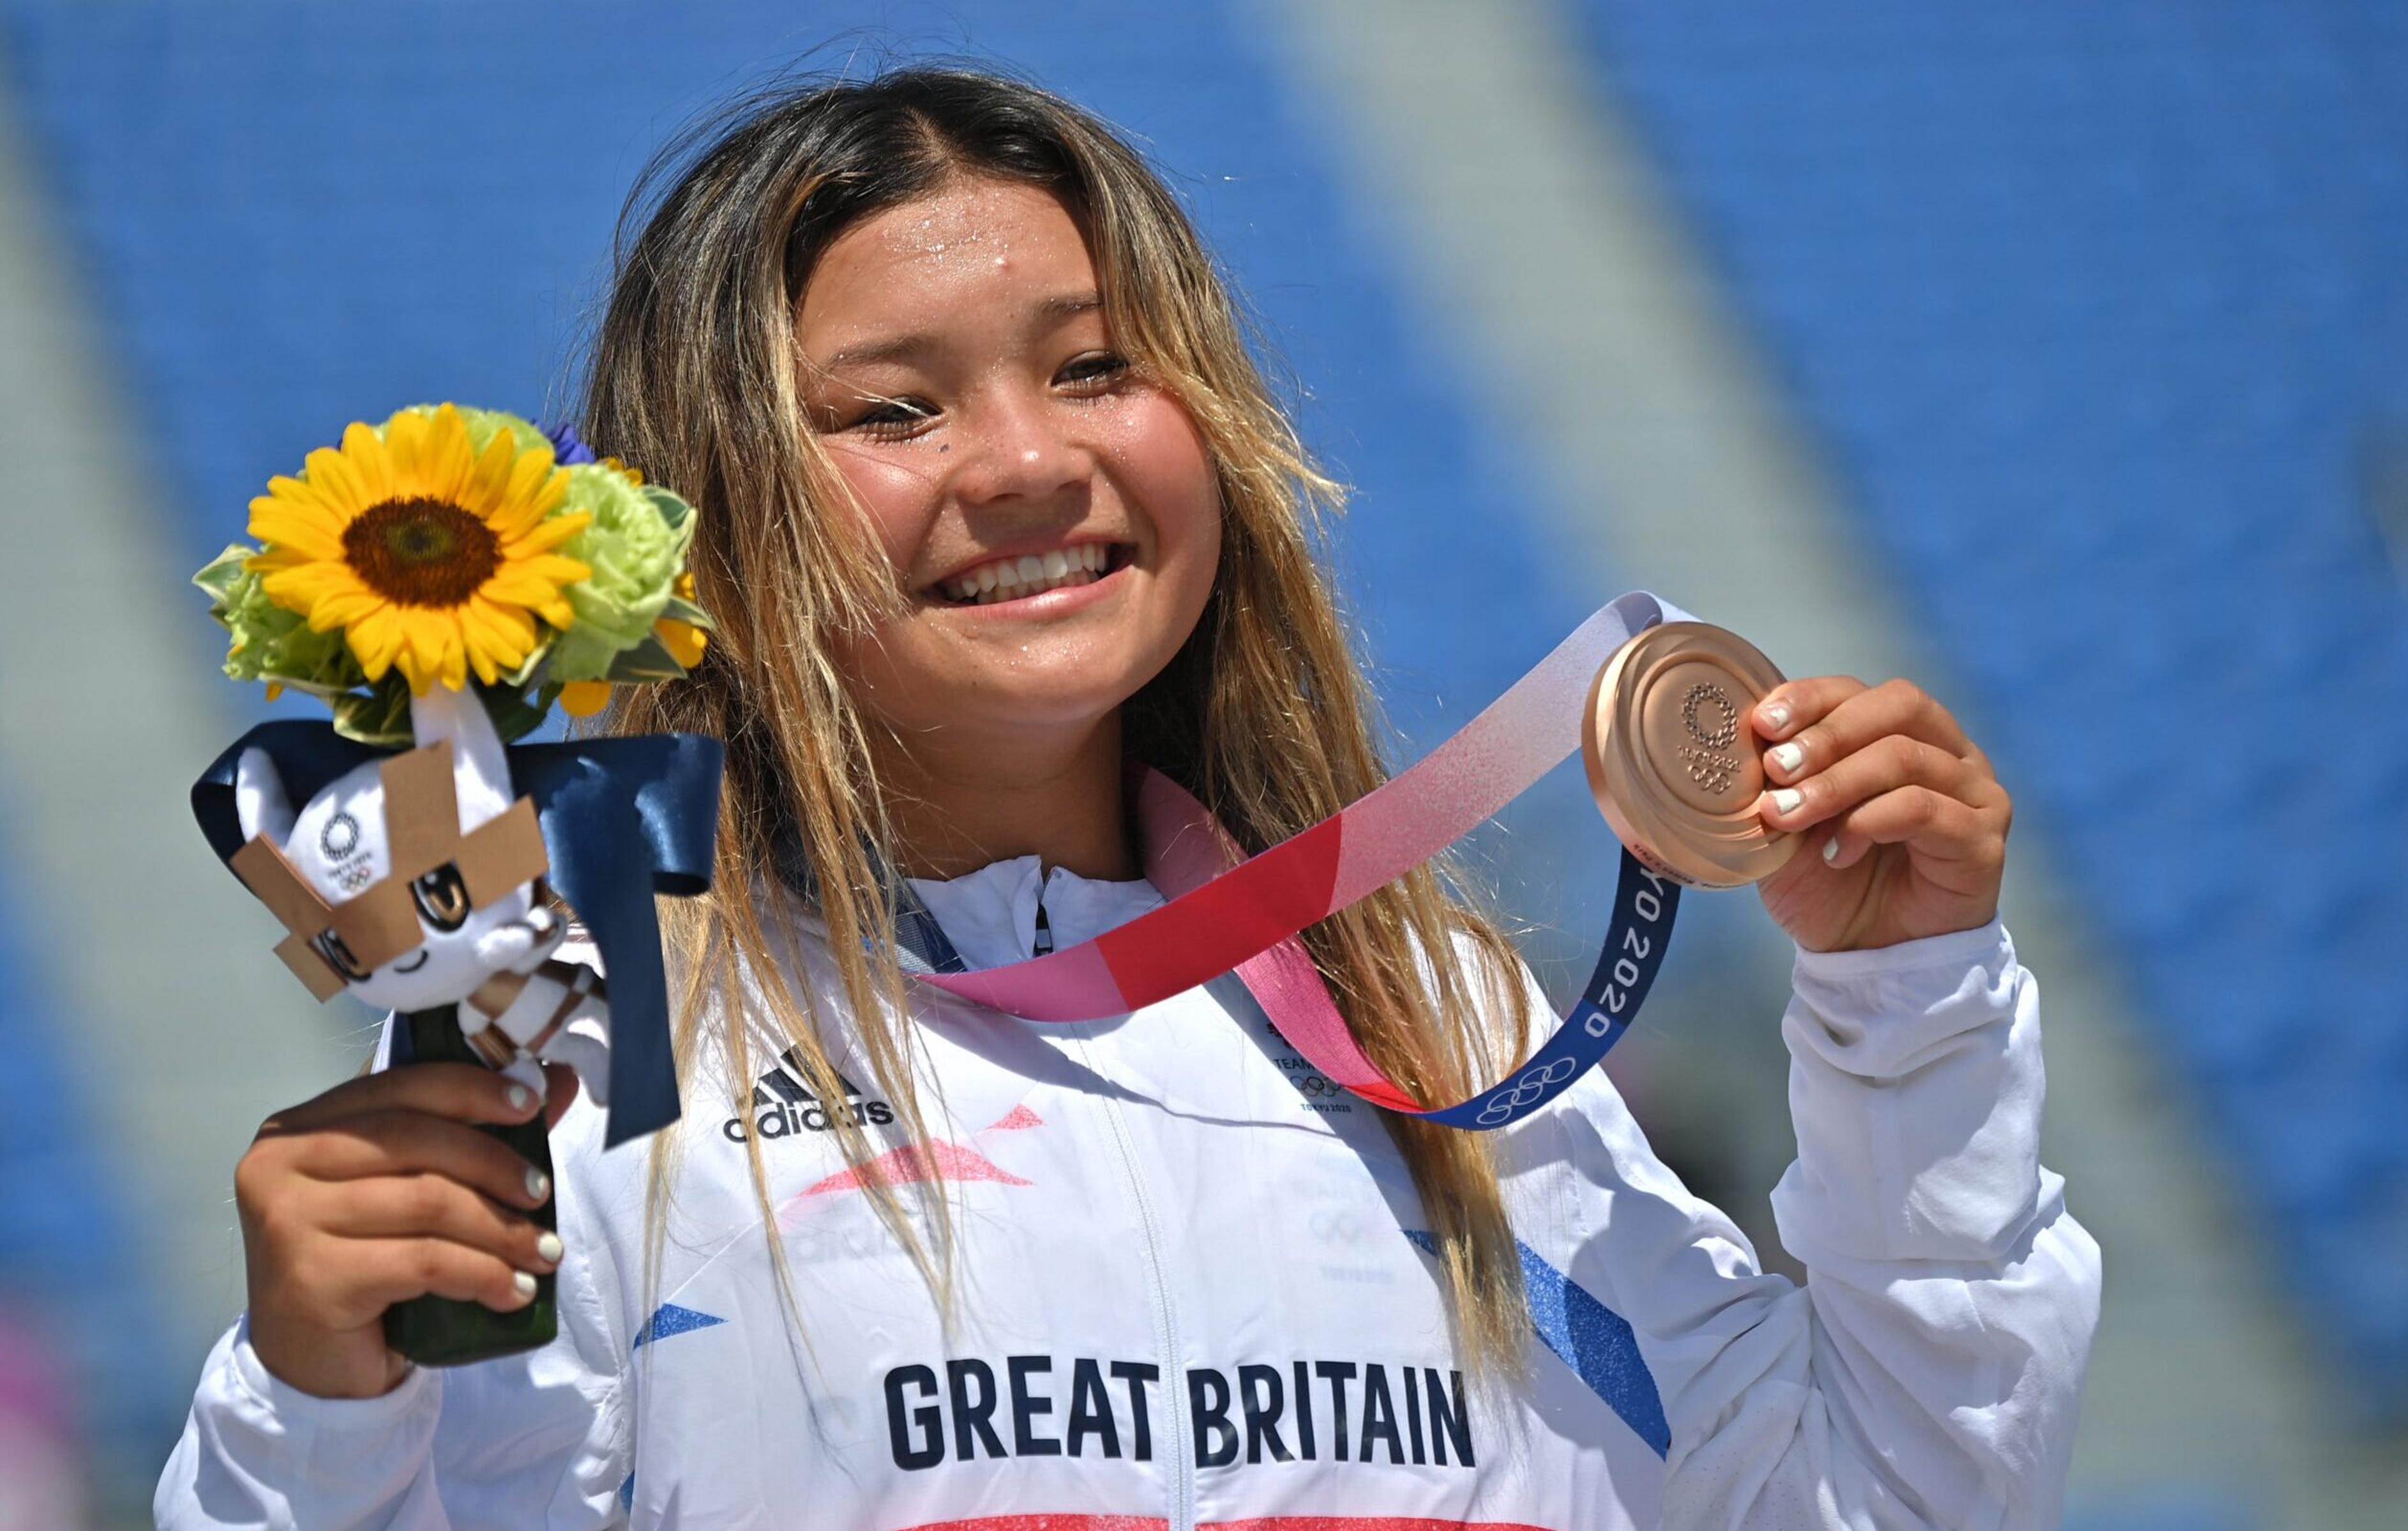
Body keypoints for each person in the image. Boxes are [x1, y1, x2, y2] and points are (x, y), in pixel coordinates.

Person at [156, 66, 2098, 1529]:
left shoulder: (1436, 1012)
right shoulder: (596, 1039)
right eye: (893, 410)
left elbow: (1887, 1498)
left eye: (1095, 368)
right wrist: (317, 1403)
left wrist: (1907, 1003)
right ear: (710, 530)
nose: (1024, 460)